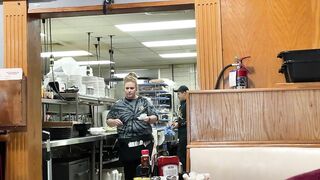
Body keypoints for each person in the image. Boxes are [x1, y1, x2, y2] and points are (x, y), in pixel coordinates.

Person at [106, 72, 158, 180]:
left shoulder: (144, 102)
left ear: (136, 89)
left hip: (144, 144)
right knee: (129, 173)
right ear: (124, 89)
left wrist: (149, 119)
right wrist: (114, 121)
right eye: (127, 88)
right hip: (126, 146)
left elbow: (156, 117)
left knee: (144, 174)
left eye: (132, 88)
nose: (129, 90)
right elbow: (108, 120)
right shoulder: (118, 104)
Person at [173, 85, 189, 172]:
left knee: (182, 155)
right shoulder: (182, 105)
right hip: (181, 134)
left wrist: (178, 124)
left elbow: (189, 120)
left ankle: (184, 174)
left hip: (186, 135)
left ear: (185, 93)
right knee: (180, 155)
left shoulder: (188, 104)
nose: (178, 96)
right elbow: (182, 118)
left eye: (179, 93)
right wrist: (176, 122)